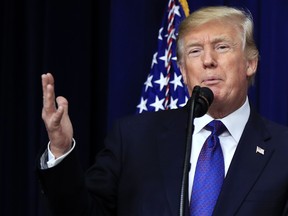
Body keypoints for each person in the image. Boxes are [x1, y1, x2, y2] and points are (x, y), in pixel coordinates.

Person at [38, 6, 288, 216]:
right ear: (182, 70)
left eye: (222, 47)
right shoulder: (134, 139)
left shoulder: (283, 151)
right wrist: (60, 150)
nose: (207, 60)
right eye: (195, 51)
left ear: (250, 63)